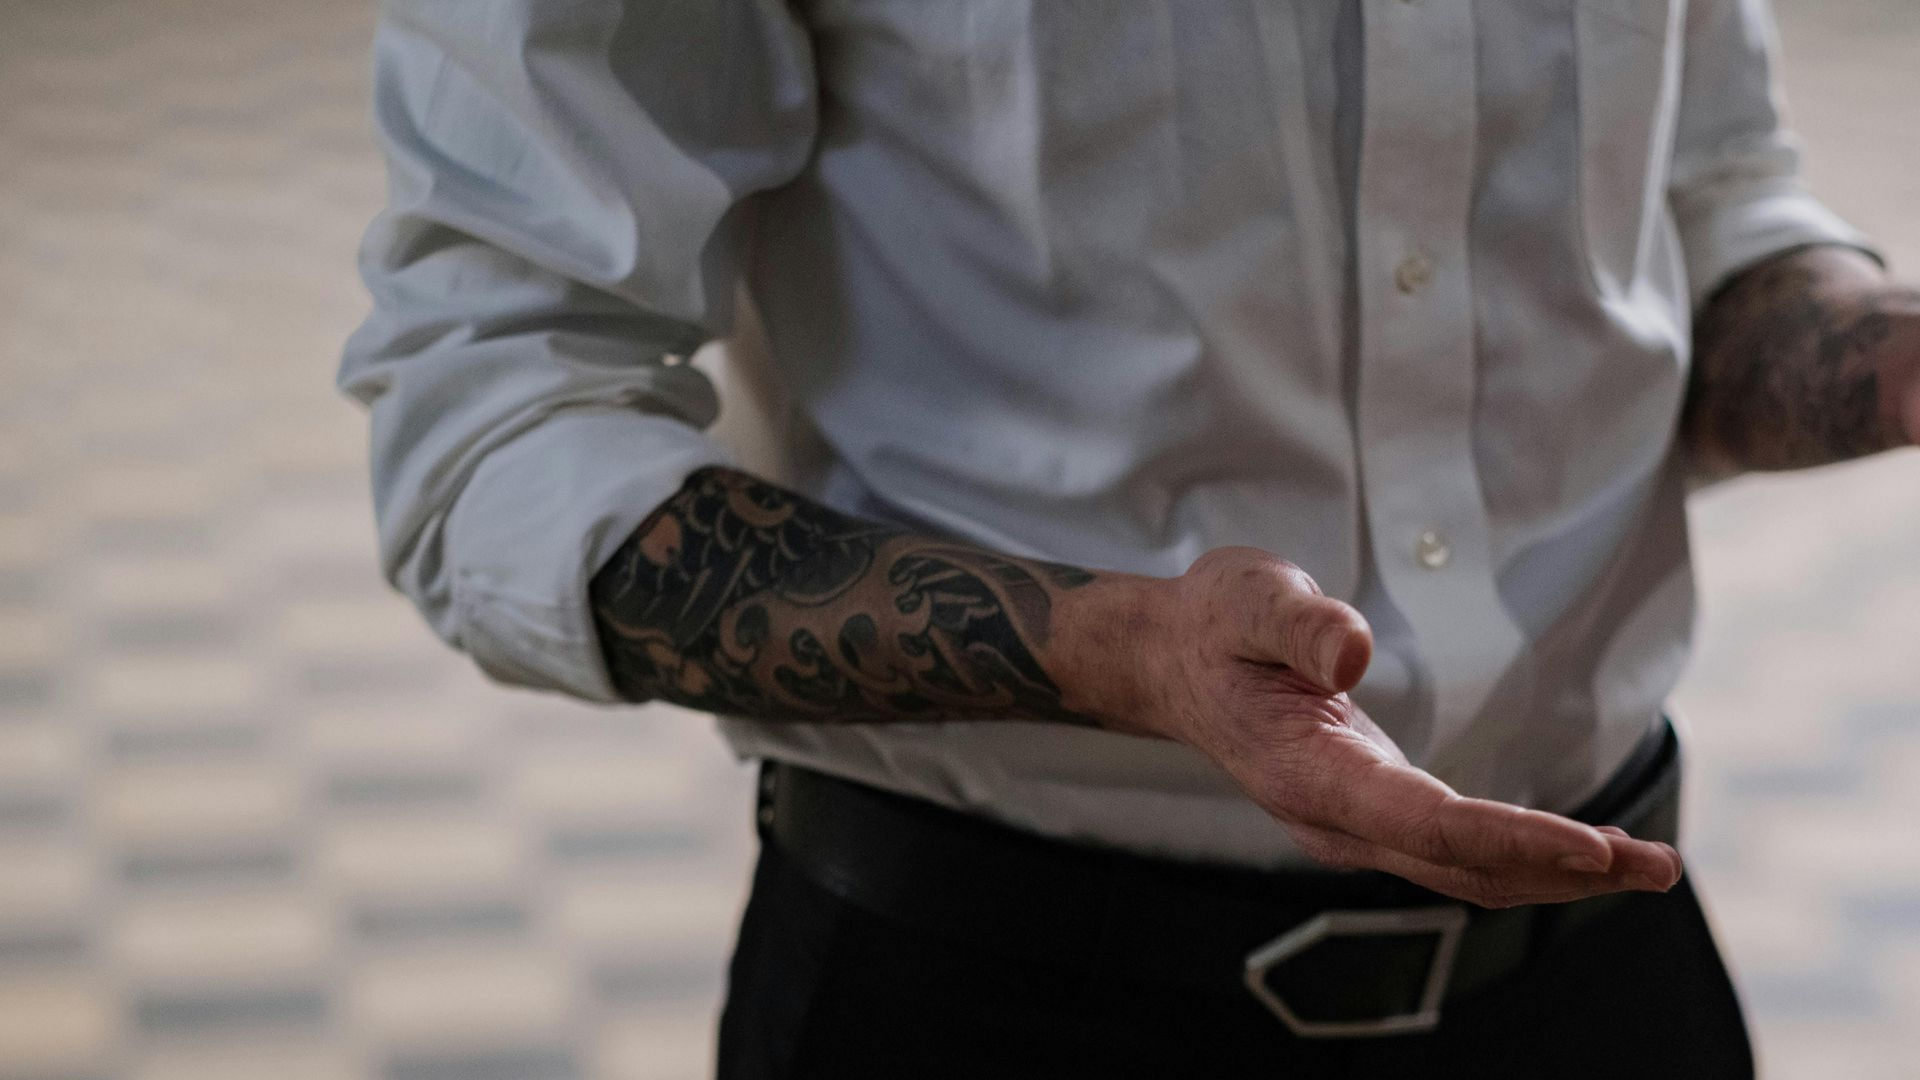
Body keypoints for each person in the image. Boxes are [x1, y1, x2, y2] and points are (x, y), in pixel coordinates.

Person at [340, 2, 1919, 1076]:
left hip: (1610, 976)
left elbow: (1700, 214)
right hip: (996, 996)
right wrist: (1122, 655)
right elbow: (493, 420)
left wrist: (1886, 353)